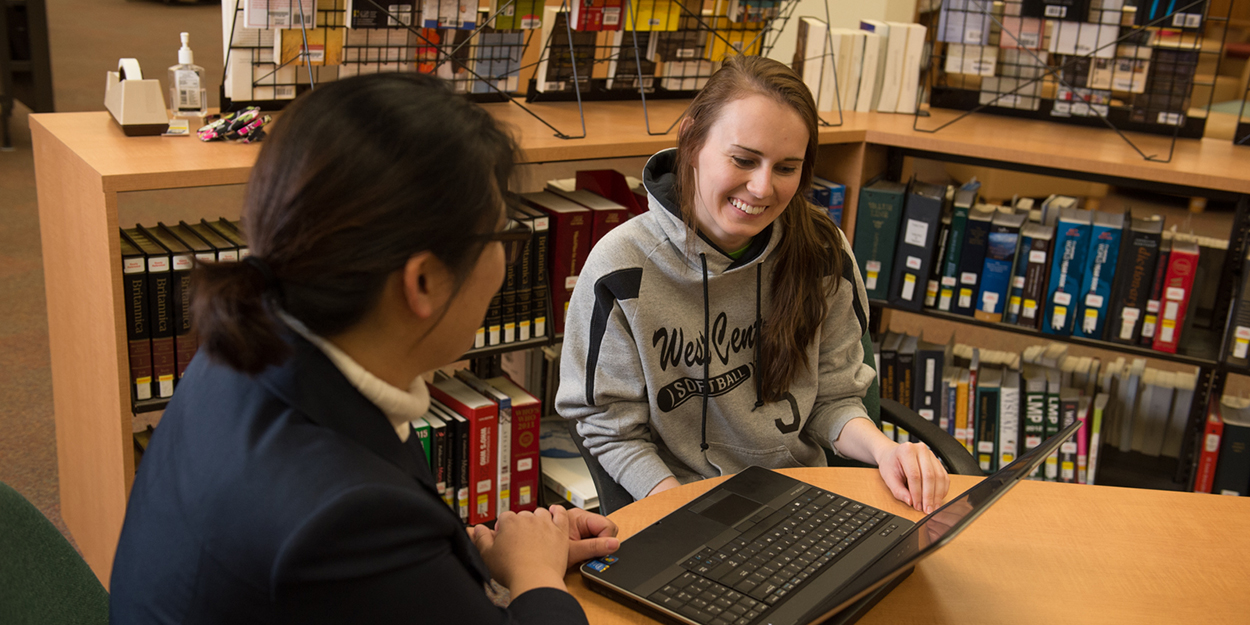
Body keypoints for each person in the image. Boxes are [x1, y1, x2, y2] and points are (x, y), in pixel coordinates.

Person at [110, 73, 617, 624]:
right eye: (505, 239)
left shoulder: (242, 348)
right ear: (423, 282)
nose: (506, 264)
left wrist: (475, 561)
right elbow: (345, 546)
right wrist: (538, 577)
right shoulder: (351, 518)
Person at [557, 55, 950, 514]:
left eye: (786, 168)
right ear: (691, 141)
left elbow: (833, 398)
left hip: (802, 502)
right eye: (744, 159)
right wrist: (676, 509)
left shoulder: (822, 251)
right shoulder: (620, 268)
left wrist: (888, 451)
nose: (762, 188)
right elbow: (611, 428)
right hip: (683, 507)